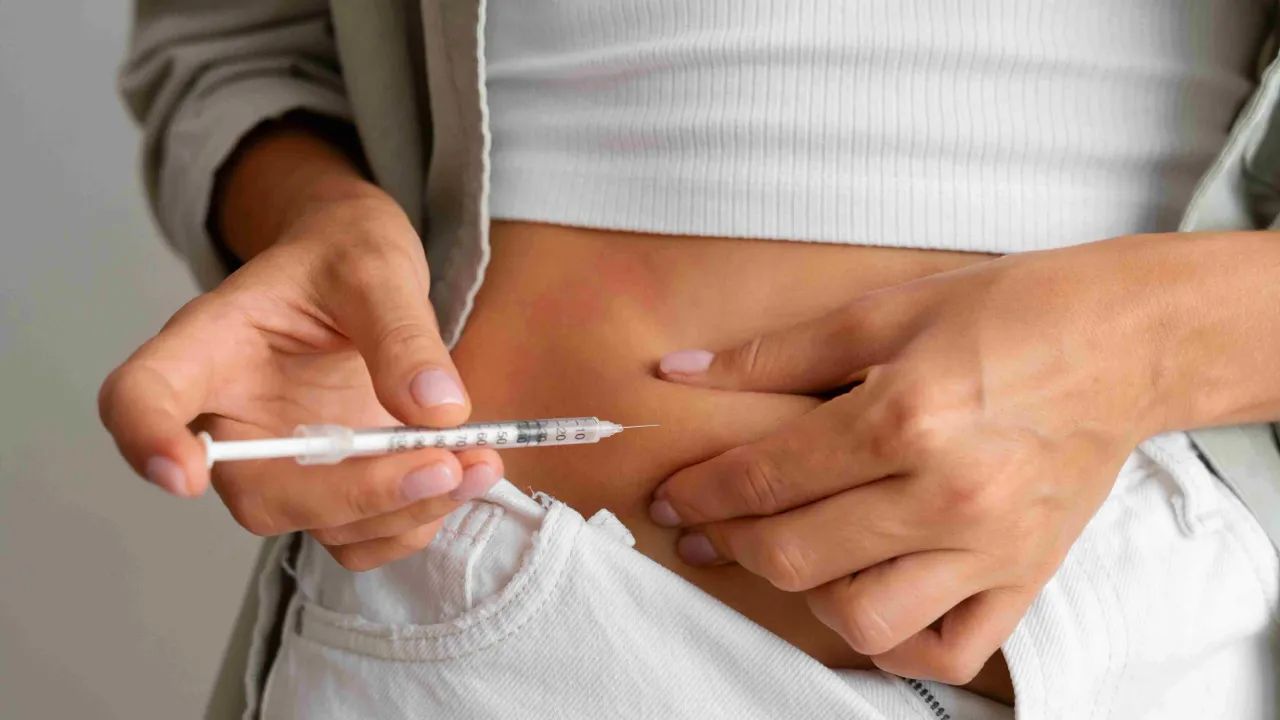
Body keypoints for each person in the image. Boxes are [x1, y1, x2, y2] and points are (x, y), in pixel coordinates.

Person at [103, 1, 1280, 717]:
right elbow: (230, 42)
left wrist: (1144, 349)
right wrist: (314, 220)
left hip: (1153, 637)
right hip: (524, 643)